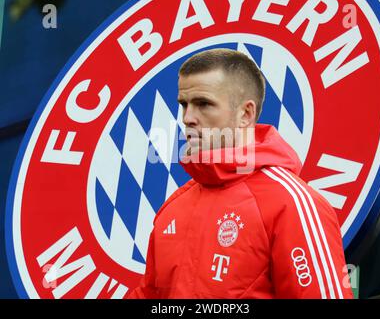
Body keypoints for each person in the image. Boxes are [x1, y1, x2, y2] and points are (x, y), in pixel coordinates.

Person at [129, 48, 353, 299]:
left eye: (203, 104)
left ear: (245, 114)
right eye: (184, 104)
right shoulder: (174, 206)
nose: (188, 118)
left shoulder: (291, 203)